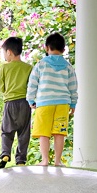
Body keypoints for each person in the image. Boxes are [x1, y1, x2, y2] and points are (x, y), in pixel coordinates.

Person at [27, 32, 78, 167]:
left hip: (44, 103)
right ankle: (57, 161)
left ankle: (44, 160)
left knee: (44, 133)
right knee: (59, 133)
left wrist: (30, 99)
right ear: (63, 49)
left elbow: (32, 83)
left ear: (46, 47)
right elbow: (73, 85)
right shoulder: (68, 66)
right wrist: (73, 103)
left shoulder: (41, 64)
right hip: (62, 103)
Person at [0, 36, 34, 169]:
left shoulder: (4, 68)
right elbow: (31, 86)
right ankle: (21, 160)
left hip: (10, 103)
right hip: (25, 103)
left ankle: (5, 154)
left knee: (7, 131)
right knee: (24, 133)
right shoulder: (29, 67)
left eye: (4, 53)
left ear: (9, 52)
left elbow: (1, 87)